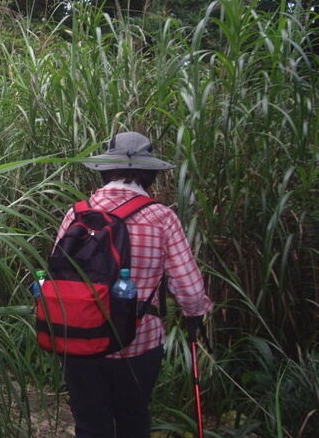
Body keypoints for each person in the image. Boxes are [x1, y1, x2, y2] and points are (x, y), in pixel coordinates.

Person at [57, 131, 213, 438]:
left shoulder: (77, 213)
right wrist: (196, 312)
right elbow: (191, 292)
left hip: (79, 341)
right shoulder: (162, 218)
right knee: (133, 421)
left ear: (106, 169)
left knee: (90, 425)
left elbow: (58, 272)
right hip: (137, 345)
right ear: (150, 173)